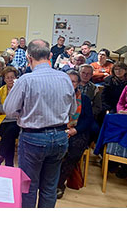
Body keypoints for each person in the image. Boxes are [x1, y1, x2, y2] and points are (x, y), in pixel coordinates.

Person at [3, 39, 77, 208]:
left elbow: (9, 110)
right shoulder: (65, 78)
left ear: (29, 58)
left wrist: (24, 112)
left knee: (28, 186)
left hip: (33, 138)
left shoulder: (25, 80)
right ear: (50, 55)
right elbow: (72, 110)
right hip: (60, 137)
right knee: (50, 187)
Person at [56, 70, 94, 199]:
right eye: (67, 80)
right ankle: (48, 180)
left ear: (78, 84)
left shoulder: (84, 99)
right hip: (59, 129)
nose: (69, 83)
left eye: (73, 81)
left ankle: (59, 184)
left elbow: (88, 120)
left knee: (74, 151)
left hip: (78, 131)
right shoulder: (55, 96)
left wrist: (75, 130)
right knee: (52, 148)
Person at [0, 66, 20, 167]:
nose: (10, 80)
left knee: (12, 129)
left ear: (16, 78)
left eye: (12, 77)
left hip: (17, 121)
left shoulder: (20, 91)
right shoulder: (0, 91)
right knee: (10, 135)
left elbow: (22, 107)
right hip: (3, 120)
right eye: (7, 77)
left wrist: (9, 110)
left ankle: (0, 157)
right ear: (4, 79)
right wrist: (11, 110)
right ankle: (9, 165)